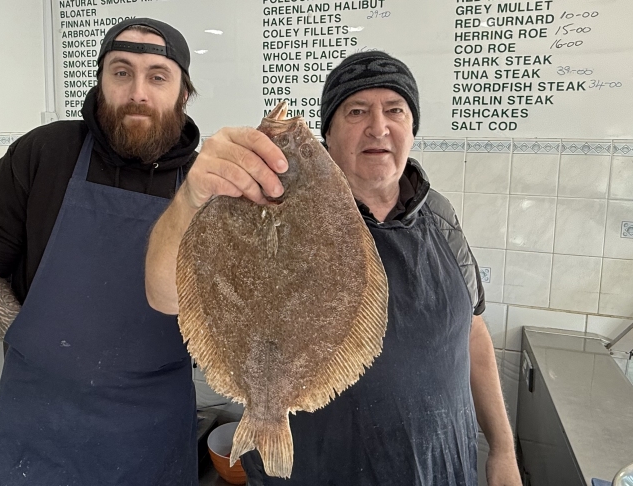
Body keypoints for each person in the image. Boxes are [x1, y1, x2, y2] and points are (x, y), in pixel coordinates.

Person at [145, 50, 522, 485]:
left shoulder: (440, 215)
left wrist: (503, 449)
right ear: (327, 136)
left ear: (412, 129)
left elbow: (473, 332)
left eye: (395, 110)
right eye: (357, 111)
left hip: (441, 469)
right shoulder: (259, 205)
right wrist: (194, 194)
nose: (378, 127)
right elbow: (166, 295)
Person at [0, 18, 201, 485]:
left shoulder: (204, 190)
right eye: (121, 72)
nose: (138, 92)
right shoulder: (45, 154)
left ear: (183, 93)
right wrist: (29, 335)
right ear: (101, 82)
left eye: (157, 76)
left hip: (153, 432)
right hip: (40, 428)